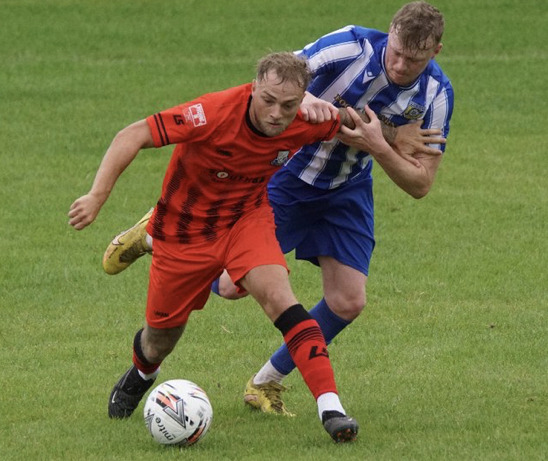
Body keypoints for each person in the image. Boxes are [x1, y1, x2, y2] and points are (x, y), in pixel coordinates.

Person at [99, 1, 453, 418]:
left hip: (347, 188)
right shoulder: (347, 47)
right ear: (388, 33)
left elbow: (420, 183)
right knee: (231, 286)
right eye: (394, 51)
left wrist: (380, 146)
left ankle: (266, 381)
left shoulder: (437, 95)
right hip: (290, 175)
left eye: (413, 59)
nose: (398, 65)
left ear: (436, 52)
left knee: (347, 301)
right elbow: (284, 82)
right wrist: (304, 106)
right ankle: (158, 230)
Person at [68, 51, 410, 443]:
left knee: (282, 300)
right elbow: (134, 134)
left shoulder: (306, 119)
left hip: (246, 222)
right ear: (253, 89)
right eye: (268, 100)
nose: (276, 113)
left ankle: (331, 408)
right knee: (160, 338)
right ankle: (143, 372)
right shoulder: (212, 113)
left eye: (288, 105)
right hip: (183, 233)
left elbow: (353, 121)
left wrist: (397, 135)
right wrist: (97, 196)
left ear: (303, 101)